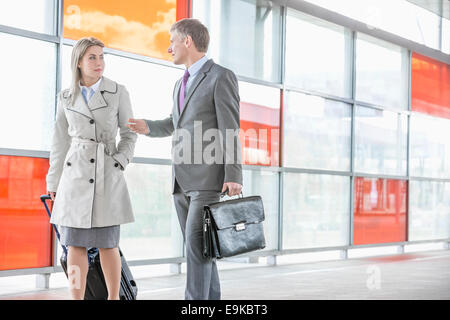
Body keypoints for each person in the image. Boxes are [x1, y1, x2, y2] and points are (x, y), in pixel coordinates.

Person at [127, 18, 243, 300]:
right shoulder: (181, 82)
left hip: (207, 180)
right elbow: (176, 123)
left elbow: (230, 129)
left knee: (196, 250)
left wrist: (234, 175)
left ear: (187, 41)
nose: (170, 49)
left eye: (172, 41)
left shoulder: (220, 76)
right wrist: (149, 127)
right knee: (203, 250)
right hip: (181, 181)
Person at [46, 37, 137, 300]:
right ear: (79, 62)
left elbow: (129, 135)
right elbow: (59, 142)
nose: (99, 63)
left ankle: (112, 297)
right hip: (74, 177)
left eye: (101, 56)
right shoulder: (65, 97)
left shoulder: (118, 91)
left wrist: (119, 162)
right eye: (92, 57)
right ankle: (77, 298)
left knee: (108, 243)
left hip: (107, 173)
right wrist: (54, 182)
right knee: (74, 245)